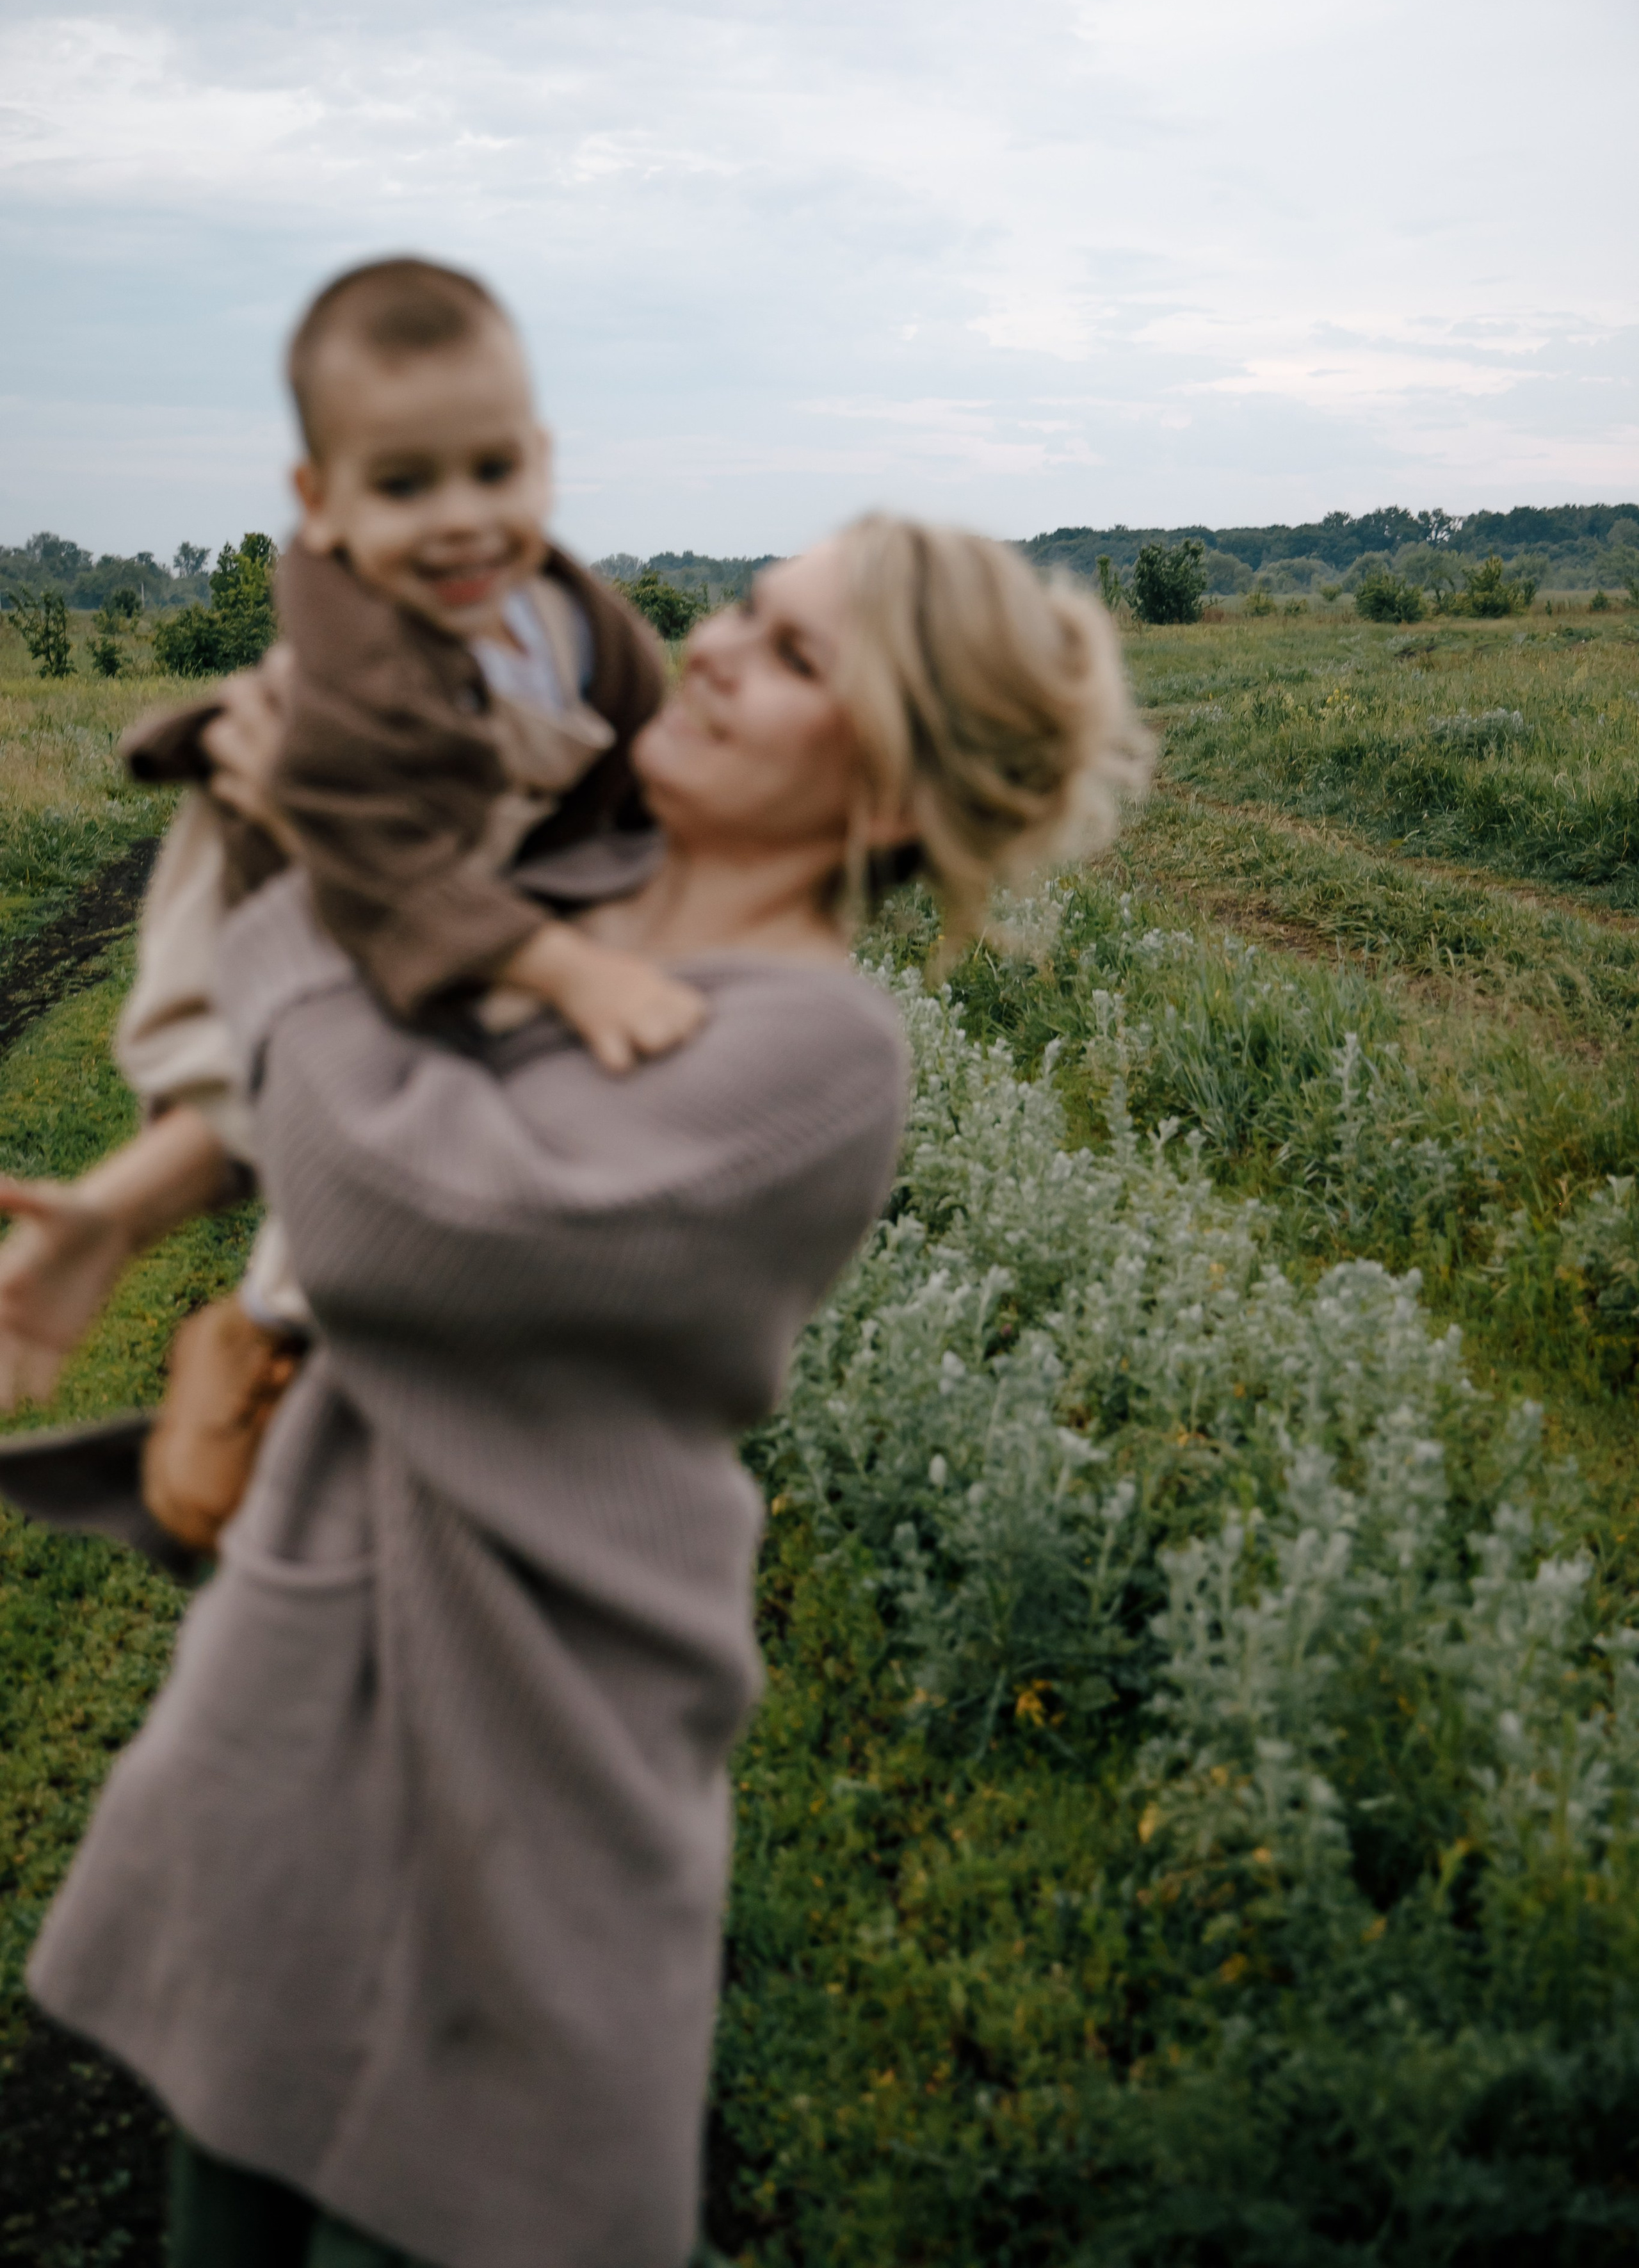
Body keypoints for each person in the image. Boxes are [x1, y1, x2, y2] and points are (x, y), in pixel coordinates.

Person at [24, 516, 1149, 2268]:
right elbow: (335, 1076)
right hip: (304, 1677)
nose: (718, 646)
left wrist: (316, 874)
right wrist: (117, 1210)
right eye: (747, 612)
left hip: (526, 1758)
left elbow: (411, 1213)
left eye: (796, 656)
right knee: (227, 2175)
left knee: (457, 2206)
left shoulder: (815, 1052)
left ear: (891, 793)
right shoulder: (574, 887)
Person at [0, 254, 698, 1511]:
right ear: (321, 503)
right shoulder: (358, 652)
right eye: (403, 485)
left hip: (436, 885)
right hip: (279, 876)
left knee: (419, 1098)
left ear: (542, 461)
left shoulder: (579, 623)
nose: (459, 519)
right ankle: (266, 1335)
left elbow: (634, 755)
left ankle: (265, 1321)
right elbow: (382, 860)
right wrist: (564, 964)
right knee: (340, 1103)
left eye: (492, 470)